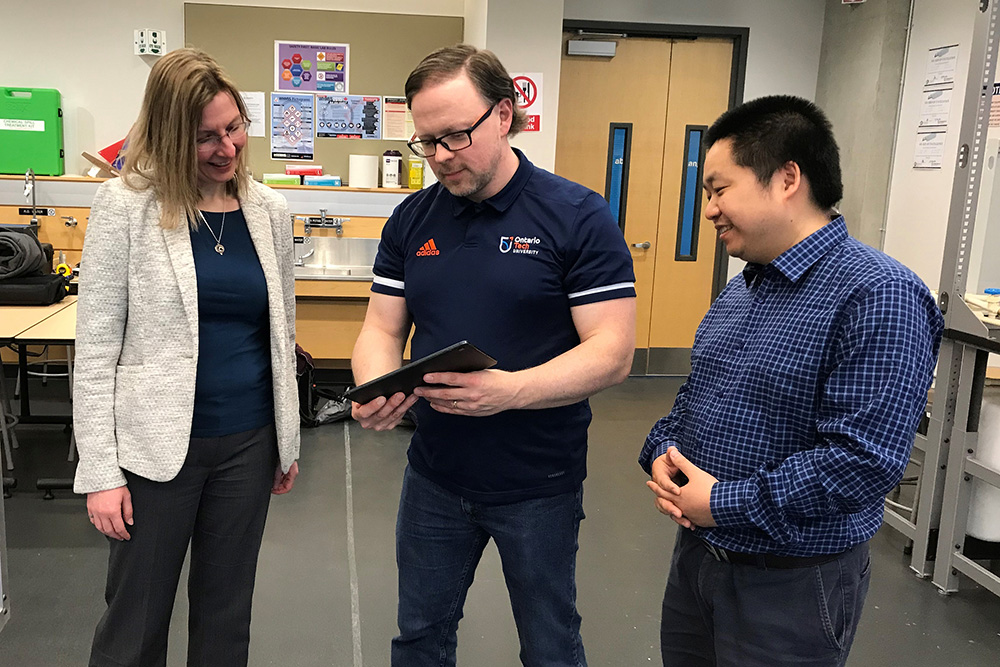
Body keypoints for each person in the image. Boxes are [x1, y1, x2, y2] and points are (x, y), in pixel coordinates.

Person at [351, 44, 636, 666]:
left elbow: (613, 352)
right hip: (433, 475)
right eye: (425, 143)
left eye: (456, 136)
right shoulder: (412, 219)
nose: (440, 158)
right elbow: (379, 327)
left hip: (538, 483)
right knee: (421, 636)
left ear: (504, 114)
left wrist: (510, 391)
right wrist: (377, 386)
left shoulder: (576, 216)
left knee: (549, 644)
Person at [639, 95, 944, 667]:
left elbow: (862, 461)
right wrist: (662, 450)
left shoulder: (878, 295)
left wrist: (722, 504)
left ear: (786, 178)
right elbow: (693, 400)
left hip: (793, 587)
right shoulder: (741, 290)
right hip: (700, 562)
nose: (708, 210)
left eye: (718, 189)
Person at [73, 48, 300, 667]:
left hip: (247, 443)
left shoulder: (268, 211)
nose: (227, 148)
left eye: (234, 128)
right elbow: (94, 347)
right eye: (205, 138)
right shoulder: (126, 206)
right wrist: (100, 472)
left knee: (227, 616)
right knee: (135, 619)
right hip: (154, 450)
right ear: (172, 137)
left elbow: (280, 336)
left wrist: (287, 439)